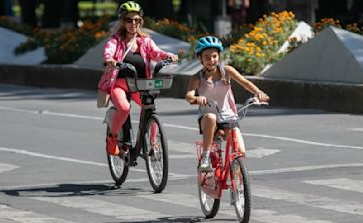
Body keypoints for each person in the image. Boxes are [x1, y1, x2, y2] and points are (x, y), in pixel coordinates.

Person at [98, 1, 179, 156]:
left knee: (149, 107)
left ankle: (153, 144)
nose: (133, 23)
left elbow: (156, 53)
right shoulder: (116, 40)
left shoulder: (145, 40)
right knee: (124, 108)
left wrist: (169, 56)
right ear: (122, 22)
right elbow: (109, 51)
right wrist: (110, 59)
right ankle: (112, 137)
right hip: (119, 85)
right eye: (129, 20)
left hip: (139, 84)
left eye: (136, 20)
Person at [185, 36, 269, 172]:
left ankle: (239, 185)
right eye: (206, 57)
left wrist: (258, 93)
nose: (211, 60)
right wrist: (196, 98)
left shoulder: (226, 71)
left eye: (214, 56)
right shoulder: (196, 77)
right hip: (207, 118)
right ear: (200, 58)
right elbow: (189, 96)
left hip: (228, 116)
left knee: (240, 150)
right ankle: (205, 158)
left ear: (218, 56)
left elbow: (245, 83)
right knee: (211, 117)